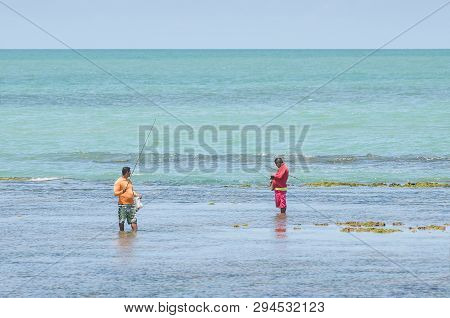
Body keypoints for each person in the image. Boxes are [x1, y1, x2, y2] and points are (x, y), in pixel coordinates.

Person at [114, 167, 142, 231]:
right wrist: (122, 191)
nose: (130, 173)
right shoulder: (119, 181)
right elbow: (115, 193)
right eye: (129, 172)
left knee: (133, 220)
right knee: (122, 221)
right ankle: (121, 234)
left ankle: (135, 233)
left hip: (131, 204)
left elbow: (131, 191)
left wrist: (137, 194)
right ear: (126, 172)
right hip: (123, 205)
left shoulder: (129, 181)